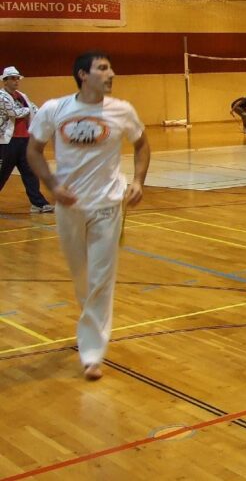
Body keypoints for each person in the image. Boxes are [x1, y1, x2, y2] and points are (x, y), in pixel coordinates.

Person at [26, 51, 151, 380]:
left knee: (101, 279)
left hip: (108, 205)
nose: (111, 74)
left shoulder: (122, 110)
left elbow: (141, 144)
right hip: (69, 208)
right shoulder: (55, 109)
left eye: (110, 68)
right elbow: (33, 150)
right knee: (82, 277)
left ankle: (92, 353)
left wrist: (138, 181)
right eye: (103, 68)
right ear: (83, 74)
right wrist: (52, 184)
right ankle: (90, 326)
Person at [0, 66, 53, 213]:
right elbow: (14, 113)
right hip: (8, 142)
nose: (16, 81)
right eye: (13, 78)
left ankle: (38, 203)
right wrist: (28, 110)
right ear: (5, 81)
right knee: (2, 173)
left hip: (24, 140)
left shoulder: (22, 95)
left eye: (17, 78)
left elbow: (35, 109)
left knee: (30, 172)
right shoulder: (1, 97)